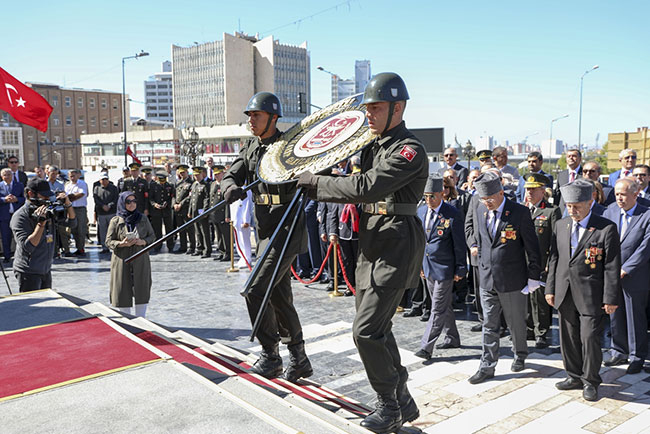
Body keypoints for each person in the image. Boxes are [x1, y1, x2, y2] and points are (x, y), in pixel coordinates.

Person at [297, 72, 425, 433]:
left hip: (396, 244)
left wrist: (317, 183)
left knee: (365, 331)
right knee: (378, 328)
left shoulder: (407, 150)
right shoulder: (374, 144)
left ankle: (389, 407)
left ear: (397, 108)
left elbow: (366, 186)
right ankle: (400, 396)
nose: (368, 114)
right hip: (371, 242)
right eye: (367, 108)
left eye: (377, 108)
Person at [221, 91, 312, 385]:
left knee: (254, 289)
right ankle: (298, 358)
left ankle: (271, 355)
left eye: (256, 116)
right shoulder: (250, 147)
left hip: (286, 231)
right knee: (278, 296)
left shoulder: (289, 148)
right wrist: (230, 187)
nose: (251, 121)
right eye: (249, 116)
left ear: (273, 118)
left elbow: (311, 171)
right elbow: (231, 174)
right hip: (265, 234)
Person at [546, 179, 621, 402]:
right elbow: (555, 258)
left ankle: (591, 381)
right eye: (569, 205)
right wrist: (550, 288)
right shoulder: (561, 225)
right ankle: (574, 375)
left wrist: (610, 297)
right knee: (568, 337)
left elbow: (611, 265)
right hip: (564, 291)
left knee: (589, 338)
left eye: (577, 205)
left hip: (591, 294)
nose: (573, 210)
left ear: (590, 202)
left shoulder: (605, 228)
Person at [467, 171, 542, 385]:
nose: (486, 203)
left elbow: (532, 247)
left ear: (501, 193)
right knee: (489, 324)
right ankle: (487, 365)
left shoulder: (519, 213)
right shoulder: (481, 209)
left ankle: (520, 353)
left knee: (516, 322)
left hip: (512, 279)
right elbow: (480, 239)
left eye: (490, 199)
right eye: (483, 199)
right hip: (487, 278)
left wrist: (533, 276)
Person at [414, 175, 466, 360]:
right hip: (427, 267)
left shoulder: (452, 213)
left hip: (445, 268)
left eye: (432, 196)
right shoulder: (420, 212)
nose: (429, 200)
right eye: (426, 196)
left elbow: (459, 244)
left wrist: (461, 268)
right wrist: (419, 264)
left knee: (437, 307)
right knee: (444, 306)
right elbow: (419, 242)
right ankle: (452, 337)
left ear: (441, 193)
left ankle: (426, 347)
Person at [602, 178, 650, 375]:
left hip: (635, 276)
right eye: (617, 194)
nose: (619, 198)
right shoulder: (610, 211)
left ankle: (637, 356)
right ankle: (618, 350)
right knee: (615, 314)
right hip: (610, 273)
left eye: (623, 194)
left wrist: (627, 268)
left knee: (634, 317)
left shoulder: (646, 214)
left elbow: (645, 247)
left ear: (635, 194)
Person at [10, 178, 76, 292]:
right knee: (34, 307)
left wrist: (67, 204)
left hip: (45, 268)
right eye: (43, 196)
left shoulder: (48, 211)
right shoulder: (20, 216)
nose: (47, 199)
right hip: (28, 271)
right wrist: (40, 223)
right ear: (31, 194)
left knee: (46, 305)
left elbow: (72, 223)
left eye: (48, 196)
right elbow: (28, 246)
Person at [523, 173, 562, 349]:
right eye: (527, 190)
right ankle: (529, 328)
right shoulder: (522, 210)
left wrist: (550, 264)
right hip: (523, 261)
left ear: (541, 190)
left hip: (542, 261)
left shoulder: (551, 211)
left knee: (539, 299)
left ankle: (541, 332)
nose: (529, 193)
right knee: (525, 297)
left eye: (533, 190)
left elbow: (556, 240)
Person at [105, 192, 156, 317]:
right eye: (128, 202)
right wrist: (121, 244)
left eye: (134, 201)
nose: (132, 204)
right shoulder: (116, 221)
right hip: (122, 259)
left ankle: (141, 320)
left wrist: (143, 241)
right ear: (122, 203)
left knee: (142, 287)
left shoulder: (142, 218)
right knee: (122, 289)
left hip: (140, 258)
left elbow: (152, 236)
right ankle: (126, 319)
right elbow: (108, 241)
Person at [0, 168, 25, 262]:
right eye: (5, 175)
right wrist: (4, 200)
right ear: (2, 176)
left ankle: (20, 256)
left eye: (9, 174)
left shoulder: (19, 185)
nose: (7, 176)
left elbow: (24, 199)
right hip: (4, 216)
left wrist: (17, 199)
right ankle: (7, 257)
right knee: (5, 237)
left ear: (12, 175)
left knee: (19, 236)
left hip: (17, 215)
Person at [149, 171, 175, 253]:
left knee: (169, 229)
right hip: (156, 211)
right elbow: (150, 198)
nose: (162, 182)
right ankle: (157, 246)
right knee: (157, 230)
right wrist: (155, 204)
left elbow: (172, 197)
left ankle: (170, 246)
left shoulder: (170, 186)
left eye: (163, 180)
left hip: (166, 211)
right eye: (160, 180)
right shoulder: (153, 186)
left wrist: (167, 203)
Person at [188, 166, 211, 258]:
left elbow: (207, 199)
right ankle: (199, 248)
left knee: (204, 231)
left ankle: (207, 250)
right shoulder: (194, 185)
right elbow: (191, 199)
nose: (196, 177)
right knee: (197, 231)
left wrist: (205, 211)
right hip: (194, 211)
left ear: (202, 174)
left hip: (201, 211)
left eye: (198, 175)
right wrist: (190, 211)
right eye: (195, 175)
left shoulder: (205, 185)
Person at [208, 165, 230, 261]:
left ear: (223, 173)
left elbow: (227, 202)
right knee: (219, 235)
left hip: (222, 214)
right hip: (214, 214)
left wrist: (227, 215)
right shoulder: (213, 184)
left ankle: (228, 253)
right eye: (215, 174)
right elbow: (211, 199)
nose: (216, 176)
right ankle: (221, 252)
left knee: (226, 236)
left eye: (218, 174)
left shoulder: (225, 184)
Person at [93, 173, 119, 254]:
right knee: (103, 231)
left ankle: (115, 246)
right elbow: (96, 199)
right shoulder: (96, 188)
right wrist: (102, 206)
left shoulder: (114, 188)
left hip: (112, 212)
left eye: (105, 179)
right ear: (100, 180)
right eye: (102, 179)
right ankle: (105, 247)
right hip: (101, 213)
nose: (104, 181)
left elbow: (116, 198)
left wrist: (109, 205)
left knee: (113, 231)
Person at [65, 169, 89, 256]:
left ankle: (81, 248)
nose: (72, 177)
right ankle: (77, 247)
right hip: (70, 208)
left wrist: (70, 197)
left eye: (73, 175)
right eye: (70, 176)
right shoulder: (67, 185)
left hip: (80, 209)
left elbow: (81, 194)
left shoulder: (82, 184)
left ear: (78, 175)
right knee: (73, 229)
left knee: (81, 229)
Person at [173, 164, 195, 254]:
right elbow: (174, 195)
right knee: (181, 229)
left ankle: (192, 247)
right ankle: (183, 246)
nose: (182, 174)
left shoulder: (191, 182)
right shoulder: (178, 183)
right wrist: (174, 204)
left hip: (186, 208)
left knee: (189, 229)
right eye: (180, 172)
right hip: (178, 210)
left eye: (183, 172)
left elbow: (190, 197)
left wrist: (180, 204)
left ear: (187, 172)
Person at [230, 190, 254, 269]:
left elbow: (247, 206)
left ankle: (247, 258)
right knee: (239, 241)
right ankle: (242, 257)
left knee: (245, 240)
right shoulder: (234, 189)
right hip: (236, 219)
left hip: (242, 220)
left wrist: (246, 220)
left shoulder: (245, 190)